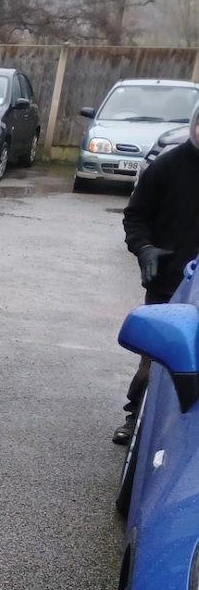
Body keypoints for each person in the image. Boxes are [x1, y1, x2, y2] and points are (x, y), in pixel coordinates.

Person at [119, 100, 199, 442]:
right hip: (169, 286)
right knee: (156, 363)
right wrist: (144, 247)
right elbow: (136, 215)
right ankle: (136, 420)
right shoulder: (168, 166)